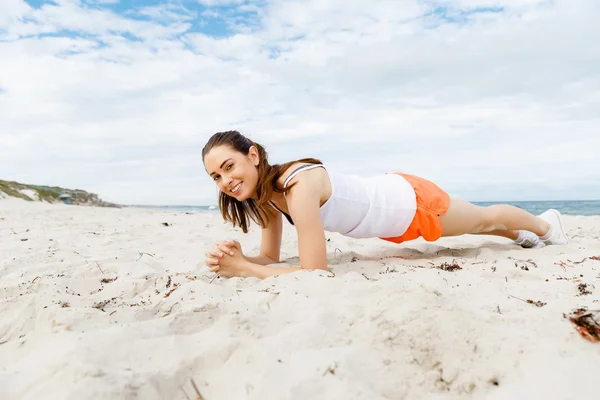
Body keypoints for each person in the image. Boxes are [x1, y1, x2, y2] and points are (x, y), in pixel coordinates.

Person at [202, 130, 568, 279]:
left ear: (252, 155)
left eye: (228, 166)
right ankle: (523, 235)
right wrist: (239, 258)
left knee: (484, 219)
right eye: (216, 176)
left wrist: (245, 270)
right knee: (481, 226)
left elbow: (316, 273)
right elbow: (271, 259)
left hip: (409, 203)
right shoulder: (268, 199)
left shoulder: (298, 184)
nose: (225, 180)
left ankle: (547, 225)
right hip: (394, 220)